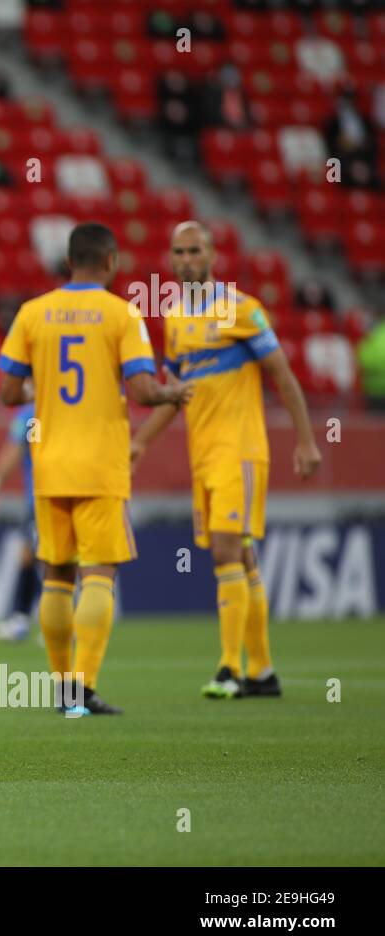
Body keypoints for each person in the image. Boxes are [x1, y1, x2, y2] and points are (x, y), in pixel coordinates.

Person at [0, 222, 192, 716]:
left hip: (48, 465)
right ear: (111, 263)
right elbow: (145, 391)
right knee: (98, 575)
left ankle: (61, 687)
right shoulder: (121, 314)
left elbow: (7, 393)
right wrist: (174, 392)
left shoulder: (32, 313)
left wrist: (38, 390)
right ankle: (83, 688)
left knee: (57, 576)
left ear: (68, 262)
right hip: (100, 464)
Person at [131, 221, 321, 699]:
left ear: (213, 254)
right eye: (178, 252)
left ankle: (227, 668)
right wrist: (139, 443)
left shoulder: (242, 310)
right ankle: (262, 672)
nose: (186, 260)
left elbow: (281, 374)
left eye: (195, 250)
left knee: (224, 552)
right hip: (204, 456)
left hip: (240, 452)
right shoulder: (174, 318)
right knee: (243, 557)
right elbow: (176, 395)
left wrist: (306, 441)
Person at [0, 390, 39, 642]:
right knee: (50, 558)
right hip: (76, 492)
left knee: (39, 558)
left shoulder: (30, 415)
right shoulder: (69, 411)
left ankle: (33, 622)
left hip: (43, 497)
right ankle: (28, 619)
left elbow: (13, 452)